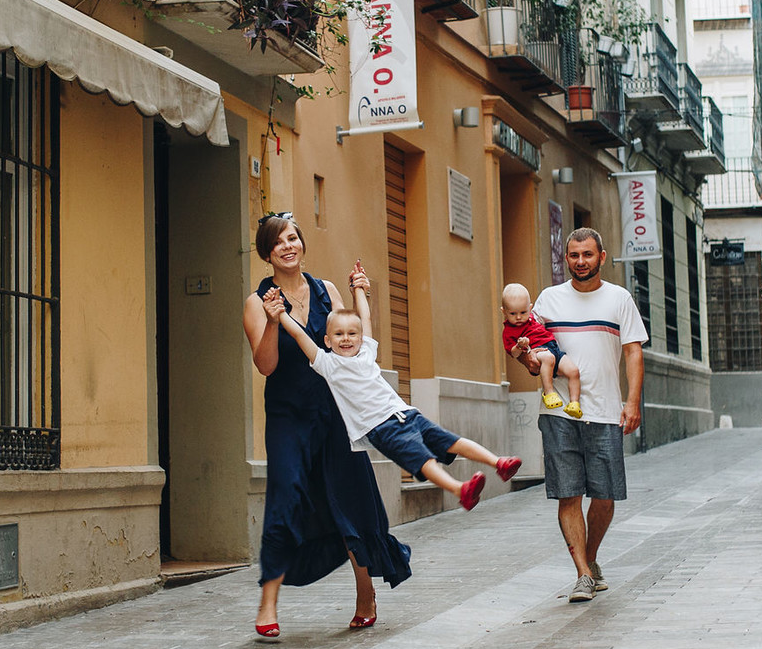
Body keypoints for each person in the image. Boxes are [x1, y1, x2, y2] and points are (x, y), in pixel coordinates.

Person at [242, 213, 412, 640]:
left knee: (350, 497)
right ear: (267, 252)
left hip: (336, 411)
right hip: (287, 416)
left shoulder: (326, 291)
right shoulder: (255, 302)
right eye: (278, 241)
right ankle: (268, 604)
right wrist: (272, 320)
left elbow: (348, 348)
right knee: (284, 498)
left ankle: (365, 593)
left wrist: (359, 299)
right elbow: (266, 365)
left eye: (294, 238)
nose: (288, 245)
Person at [267, 262, 520, 512]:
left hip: (405, 413)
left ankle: (498, 462)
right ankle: (459, 490)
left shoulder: (366, 351)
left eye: (352, 334)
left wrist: (358, 289)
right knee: (422, 458)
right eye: (339, 334)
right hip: (381, 427)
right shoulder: (327, 364)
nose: (346, 339)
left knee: (450, 440)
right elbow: (301, 335)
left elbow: (364, 316)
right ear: (326, 340)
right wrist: (280, 315)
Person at [528, 227, 647, 603]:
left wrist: (632, 402)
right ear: (567, 259)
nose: (580, 262)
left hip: (606, 410)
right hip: (560, 412)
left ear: (602, 257)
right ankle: (582, 573)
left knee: (606, 496)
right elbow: (532, 351)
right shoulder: (548, 300)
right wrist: (527, 358)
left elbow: (633, 352)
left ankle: (591, 559)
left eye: (588, 255)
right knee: (569, 494)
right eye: (574, 255)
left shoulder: (619, 298)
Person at [501, 282, 583, 418]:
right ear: (504, 311)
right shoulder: (509, 331)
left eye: (523, 312)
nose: (519, 317)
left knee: (573, 371)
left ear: (530, 308)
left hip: (554, 348)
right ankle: (549, 392)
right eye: (513, 313)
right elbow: (513, 354)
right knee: (548, 358)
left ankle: (574, 403)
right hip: (538, 351)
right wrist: (520, 346)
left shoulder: (532, 318)